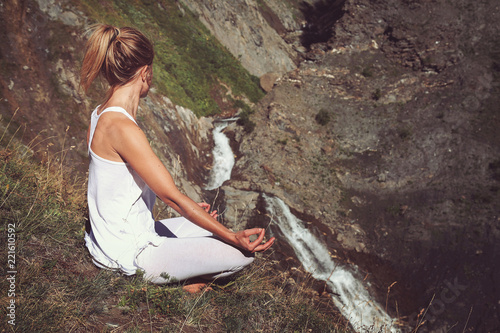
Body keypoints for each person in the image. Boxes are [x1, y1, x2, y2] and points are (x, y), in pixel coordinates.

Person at [79, 24, 274, 291]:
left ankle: (186, 272)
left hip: (115, 237)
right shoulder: (124, 129)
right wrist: (232, 236)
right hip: (129, 253)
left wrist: (194, 212)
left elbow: (118, 187)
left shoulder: (99, 114)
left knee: (209, 226)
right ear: (145, 72)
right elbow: (171, 198)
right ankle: (185, 284)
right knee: (241, 255)